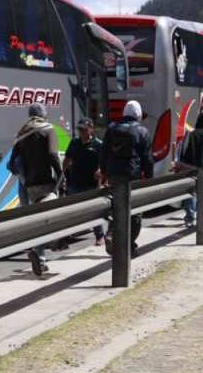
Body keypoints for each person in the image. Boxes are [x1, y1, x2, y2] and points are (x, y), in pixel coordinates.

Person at [9, 103, 61, 275]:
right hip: (45, 183)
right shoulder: (48, 130)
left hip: (27, 186)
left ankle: (40, 256)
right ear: (44, 115)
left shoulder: (22, 133)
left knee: (36, 220)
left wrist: (24, 179)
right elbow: (53, 155)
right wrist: (61, 174)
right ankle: (42, 251)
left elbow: (11, 164)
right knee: (47, 219)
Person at [98, 100, 154, 257]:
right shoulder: (142, 131)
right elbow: (147, 159)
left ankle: (111, 234)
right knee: (134, 212)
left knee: (116, 206)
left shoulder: (111, 129)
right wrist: (149, 180)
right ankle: (129, 245)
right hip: (132, 176)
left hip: (114, 175)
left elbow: (103, 153)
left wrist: (104, 173)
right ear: (138, 114)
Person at [63, 118, 103, 244]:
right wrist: (62, 174)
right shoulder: (74, 142)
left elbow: (104, 162)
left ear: (91, 129)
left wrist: (100, 171)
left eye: (84, 129)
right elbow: (67, 159)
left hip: (91, 184)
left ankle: (100, 236)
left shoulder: (98, 144)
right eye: (79, 129)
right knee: (71, 211)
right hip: (75, 182)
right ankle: (67, 235)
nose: (81, 132)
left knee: (94, 210)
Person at [176, 112, 203, 226]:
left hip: (190, 169)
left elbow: (183, 150)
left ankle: (190, 218)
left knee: (191, 193)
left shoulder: (189, 134)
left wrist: (180, 165)